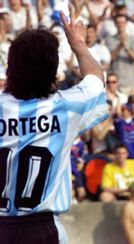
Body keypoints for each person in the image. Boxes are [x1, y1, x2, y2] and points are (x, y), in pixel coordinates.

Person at [0, 8, 108, 244]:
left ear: (10, 67)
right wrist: (78, 43)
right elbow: (96, 79)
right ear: (53, 72)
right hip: (43, 228)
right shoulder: (68, 107)